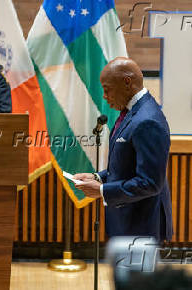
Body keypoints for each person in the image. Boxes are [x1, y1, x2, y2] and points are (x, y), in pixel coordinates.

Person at [74, 57, 173, 241]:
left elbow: (150, 183)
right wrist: (97, 178)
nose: (104, 96)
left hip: (141, 227)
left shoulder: (147, 120)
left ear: (127, 82)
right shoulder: (131, 112)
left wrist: (102, 191)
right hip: (127, 223)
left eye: (107, 89)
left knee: (138, 272)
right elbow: (127, 165)